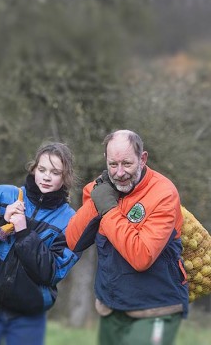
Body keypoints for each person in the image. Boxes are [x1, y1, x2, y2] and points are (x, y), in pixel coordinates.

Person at [65, 130, 188, 345]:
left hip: (158, 308)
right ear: (106, 160)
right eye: (113, 164)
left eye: (127, 164)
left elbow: (142, 256)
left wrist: (109, 210)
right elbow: (73, 241)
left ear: (143, 159)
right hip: (111, 306)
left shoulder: (163, 193)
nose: (120, 173)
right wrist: (97, 202)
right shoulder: (100, 189)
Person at [0, 142, 79, 345]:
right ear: (33, 169)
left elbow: (51, 272)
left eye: (55, 172)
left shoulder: (72, 222)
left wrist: (24, 232)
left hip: (28, 317)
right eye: (42, 169)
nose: (47, 177)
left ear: (66, 177)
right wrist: (0, 222)